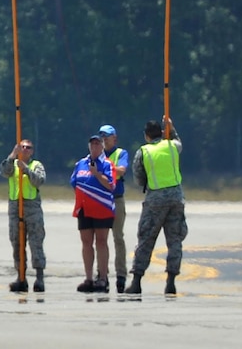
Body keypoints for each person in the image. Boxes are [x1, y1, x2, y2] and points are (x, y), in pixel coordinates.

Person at [122, 116, 186, 296]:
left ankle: (136, 281)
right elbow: (178, 141)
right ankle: (171, 281)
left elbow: (138, 177)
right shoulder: (172, 146)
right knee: (175, 241)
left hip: (155, 199)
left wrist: (147, 184)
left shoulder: (144, 152)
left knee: (146, 239)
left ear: (146, 136)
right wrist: (171, 129)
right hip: (176, 198)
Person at [70, 133, 117, 292]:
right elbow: (74, 182)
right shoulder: (81, 163)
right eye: (92, 144)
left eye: (98, 144)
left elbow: (111, 185)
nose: (95, 146)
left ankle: (103, 278)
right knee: (86, 243)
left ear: (102, 146)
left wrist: (96, 173)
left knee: (101, 242)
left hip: (101, 207)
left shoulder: (107, 164)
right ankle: (89, 278)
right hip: (84, 208)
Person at [0, 139, 46, 293]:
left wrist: (26, 169)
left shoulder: (36, 165)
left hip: (32, 208)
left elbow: (39, 181)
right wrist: (12, 156)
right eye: (22, 147)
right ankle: (21, 277)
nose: (25, 150)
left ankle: (39, 278)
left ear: (32, 151)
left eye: (28, 148)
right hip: (15, 208)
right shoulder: (12, 164)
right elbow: (4, 172)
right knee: (17, 243)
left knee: (35, 243)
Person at [97, 124, 131, 288]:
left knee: (118, 238)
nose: (104, 140)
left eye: (107, 136)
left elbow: (121, 171)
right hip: (100, 198)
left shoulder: (120, 153)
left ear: (114, 138)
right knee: (101, 239)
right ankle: (101, 274)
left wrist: (104, 168)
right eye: (101, 137)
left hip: (116, 199)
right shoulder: (97, 154)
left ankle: (121, 275)